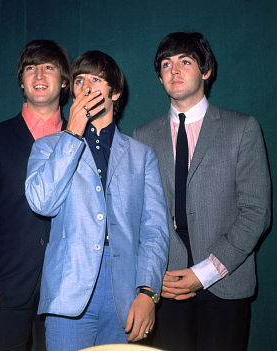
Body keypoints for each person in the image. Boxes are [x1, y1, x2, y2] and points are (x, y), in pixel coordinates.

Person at [133, 32, 271, 351]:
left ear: (206, 71)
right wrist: (150, 278)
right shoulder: (142, 136)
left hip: (225, 283)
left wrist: (205, 272)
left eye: (185, 61)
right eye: (166, 64)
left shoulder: (242, 128)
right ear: (159, 76)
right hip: (165, 288)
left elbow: (256, 212)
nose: (175, 70)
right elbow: (138, 216)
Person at [24, 50, 169, 350]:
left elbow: (154, 231)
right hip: (68, 294)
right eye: (78, 80)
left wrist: (148, 292)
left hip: (126, 295)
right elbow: (41, 202)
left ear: (115, 92)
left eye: (95, 79)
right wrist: (73, 133)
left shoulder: (142, 156)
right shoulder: (47, 147)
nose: (86, 86)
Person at [0, 39, 71, 351]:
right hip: (4, 287)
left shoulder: (80, 140)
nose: (39, 75)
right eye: (30, 68)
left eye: (48, 67)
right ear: (21, 83)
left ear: (65, 82)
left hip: (67, 288)